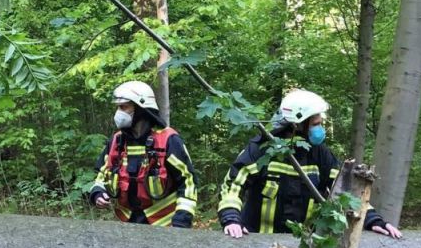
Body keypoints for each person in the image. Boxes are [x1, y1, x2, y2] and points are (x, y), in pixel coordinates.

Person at [218, 89, 402, 239]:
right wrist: (231, 218)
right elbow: (232, 186)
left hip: (303, 246)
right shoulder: (261, 150)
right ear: (296, 124)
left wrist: (373, 219)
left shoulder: (320, 154)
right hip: (256, 241)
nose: (320, 128)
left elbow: (345, 191)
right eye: (315, 124)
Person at [89, 81, 197, 228]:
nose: (118, 113)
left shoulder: (168, 140)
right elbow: (103, 173)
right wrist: (98, 192)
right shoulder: (117, 141)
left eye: (124, 107)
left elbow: (188, 182)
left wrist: (182, 220)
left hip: (165, 224)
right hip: (126, 222)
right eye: (118, 107)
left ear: (141, 109)